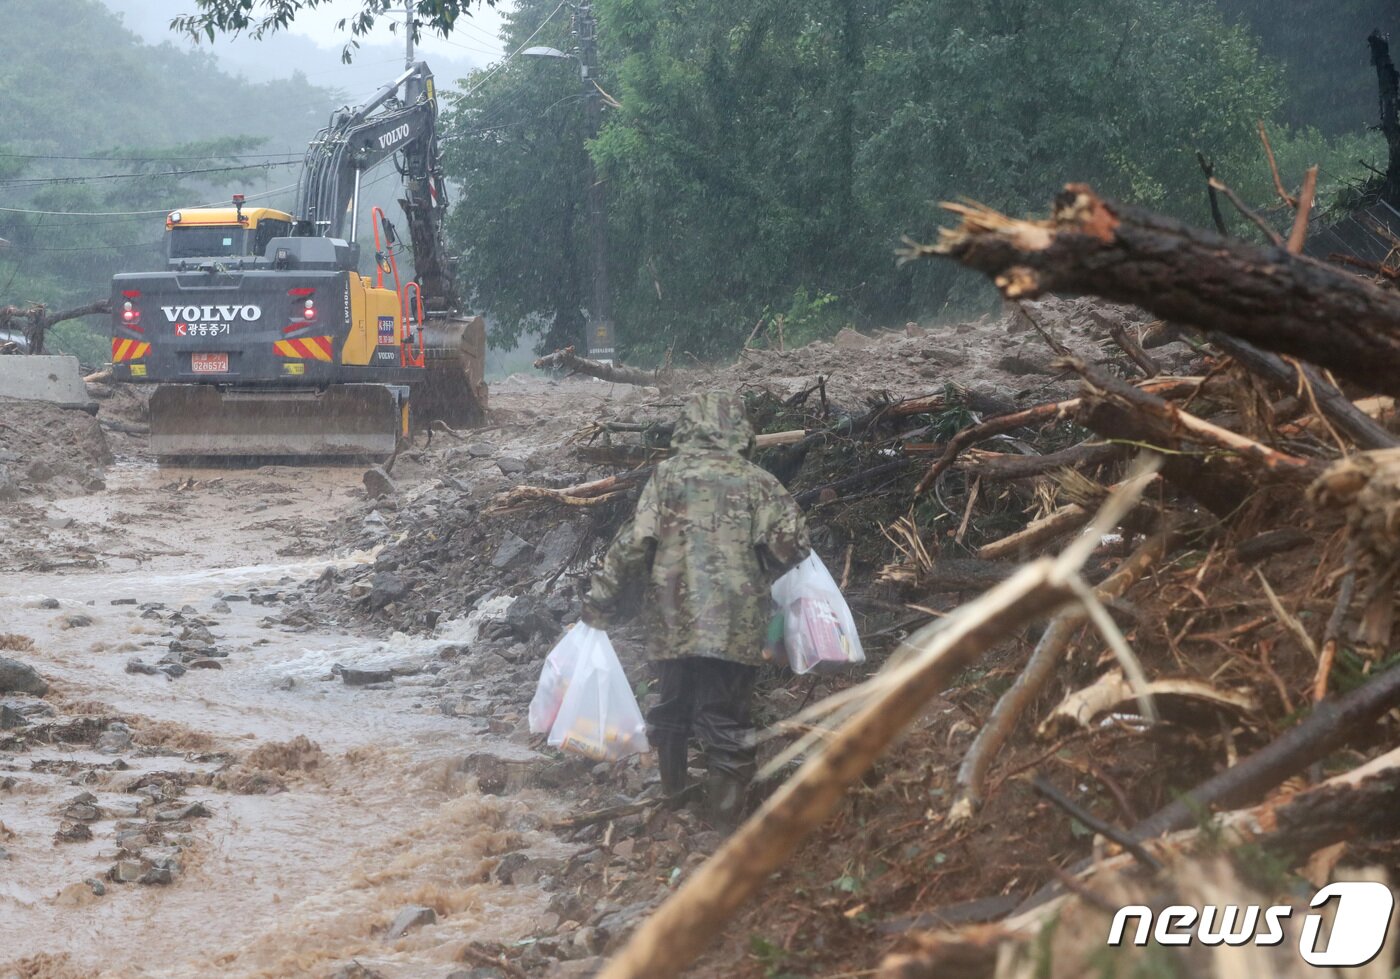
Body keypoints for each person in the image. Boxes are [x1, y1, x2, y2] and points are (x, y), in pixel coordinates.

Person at [582, 390, 810, 829]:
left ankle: (676, 802)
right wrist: (757, 563)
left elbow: (632, 544)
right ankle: (724, 825)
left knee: (671, 711)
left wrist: (600, 604)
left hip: (673, 622)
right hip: (736, 624)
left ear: (685, 428)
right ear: (741, 432)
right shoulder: (758, 482)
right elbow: (794, 544)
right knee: (726, 722)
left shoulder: (668, 478)